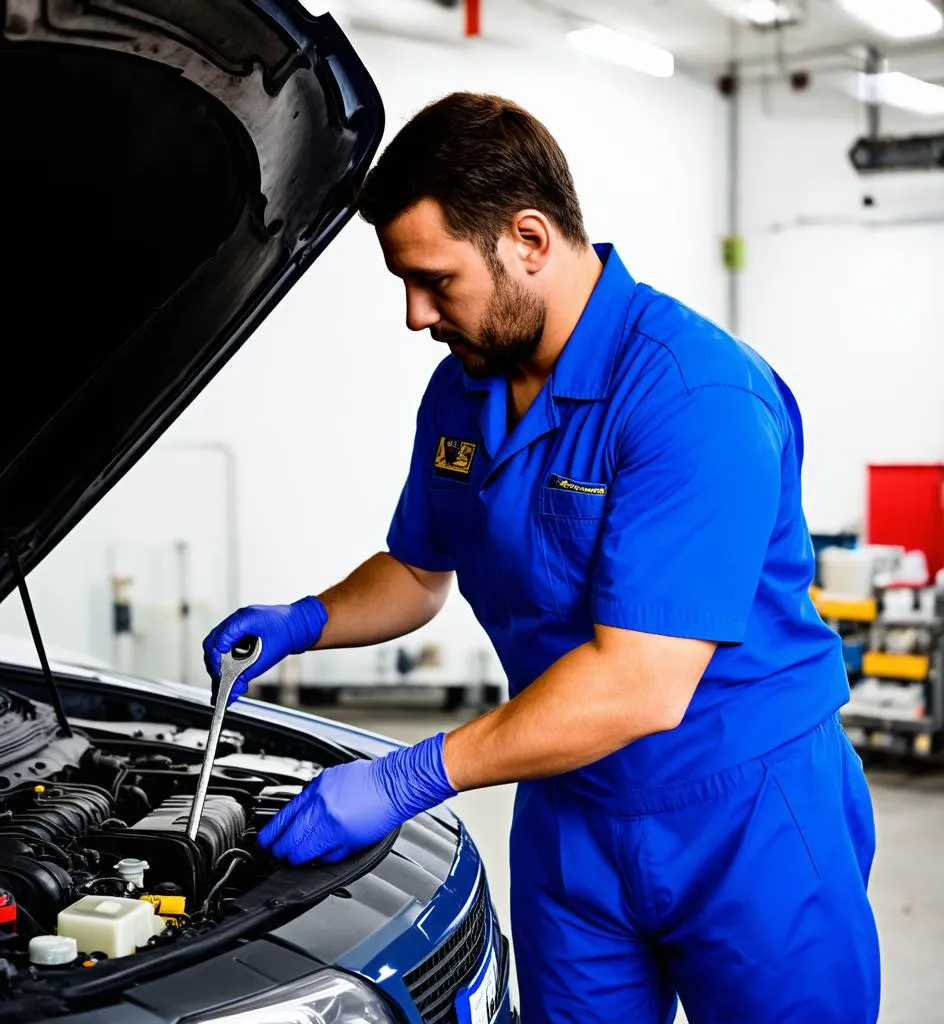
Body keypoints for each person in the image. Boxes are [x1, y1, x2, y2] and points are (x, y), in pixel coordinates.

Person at [202, 92, 880, 1023]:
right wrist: (302, 622)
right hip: (571, 810)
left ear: (528, 239)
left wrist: (406, 777)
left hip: (745, 814)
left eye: (435, 280)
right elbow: (417, 570)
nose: (414, 314)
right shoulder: (460, 392)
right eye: (404, 282)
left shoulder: (695, 396)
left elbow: (640, 684)